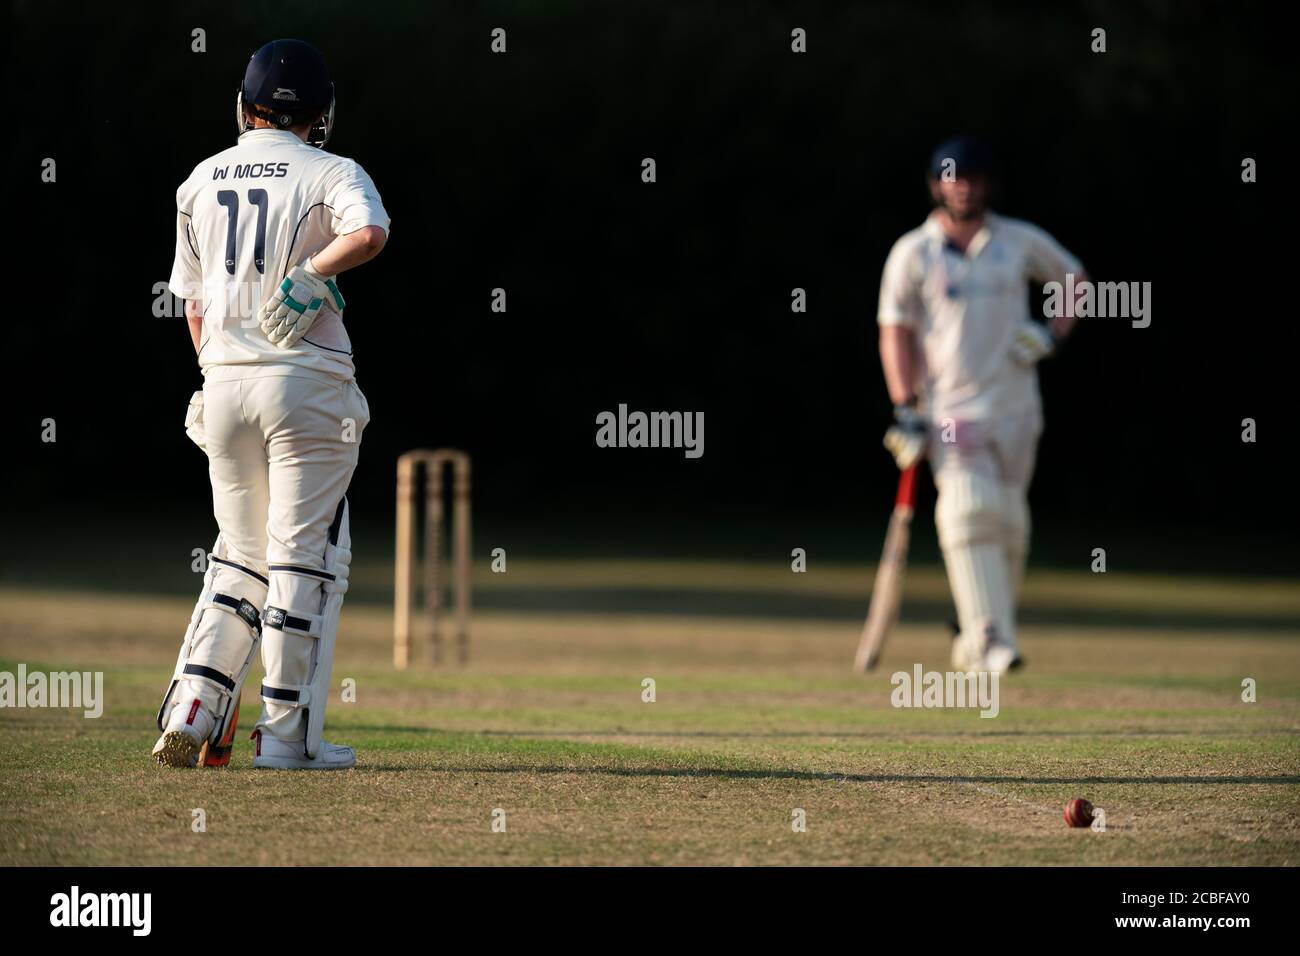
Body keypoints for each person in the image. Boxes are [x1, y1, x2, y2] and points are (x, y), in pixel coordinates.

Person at [153, 38, 390, 769]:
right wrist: (314, 272)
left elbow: (189, 303)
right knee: (300, 558)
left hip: (222, 387)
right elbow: (370, 233)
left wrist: (215, 371)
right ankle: (287, 740)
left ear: (243, 104)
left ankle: (195, 706)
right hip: (307, 388)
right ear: (320, 115)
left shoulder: (200, 179)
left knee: (239, 556)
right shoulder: (332, 169)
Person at [877, 137, 1086, 673]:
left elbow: (1077, 282)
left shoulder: (1015, 241)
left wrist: (1051, 335)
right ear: (935, 185)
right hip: (950, 409)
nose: (962, 186)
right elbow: (894, 333)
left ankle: (974, 639)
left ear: (986, 184)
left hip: (1017, 409)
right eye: (951, 177)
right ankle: (993, 641)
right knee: (969, 509)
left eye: (971, 177)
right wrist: (905, 405)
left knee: (1010, 523)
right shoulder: (912, 253)